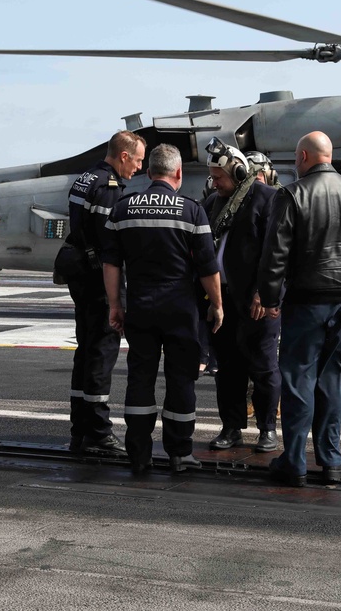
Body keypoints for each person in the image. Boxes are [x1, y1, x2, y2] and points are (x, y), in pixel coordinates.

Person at [258, 131, 341, 487]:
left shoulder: (291, 195)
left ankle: (295, 462)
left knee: (299, 378)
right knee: (332, 376)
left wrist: (269, 299)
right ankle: (331, 461)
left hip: (307, 298)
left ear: (302, 158)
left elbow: (275, 255)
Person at [102, 143, 224, 474]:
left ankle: (139, 455)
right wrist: (217, 304)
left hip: (141, 306)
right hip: (181, 308)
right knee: (181, 379)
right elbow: (207, 266)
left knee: (140, 378)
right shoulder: (192, 211)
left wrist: (116, 305)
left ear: (149, 171)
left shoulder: (123, 209)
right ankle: (180, 453)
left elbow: (111, 264)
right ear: (178, 173)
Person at [63, 130, 145, 455]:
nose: (138, 168)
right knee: (101, 353)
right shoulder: (109, 189)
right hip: (98, 280)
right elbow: (111, 244)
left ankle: (79, 430)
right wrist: (118, 298)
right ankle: (98, 431)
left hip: (80, 274)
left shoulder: (85, 178)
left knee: (84, 352)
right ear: (124, 156)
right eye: (137, 161)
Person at [203, 138, 281, 453]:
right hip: (221, 301)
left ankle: (267, 428)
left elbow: (276, 252)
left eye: (218, 177)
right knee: (228, 369)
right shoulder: (211, 203)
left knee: (263, 367)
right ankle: (231, 427)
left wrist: (265, 293)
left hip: (256, 301)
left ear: (237, 172)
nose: (214, 183)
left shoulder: (268, 199)